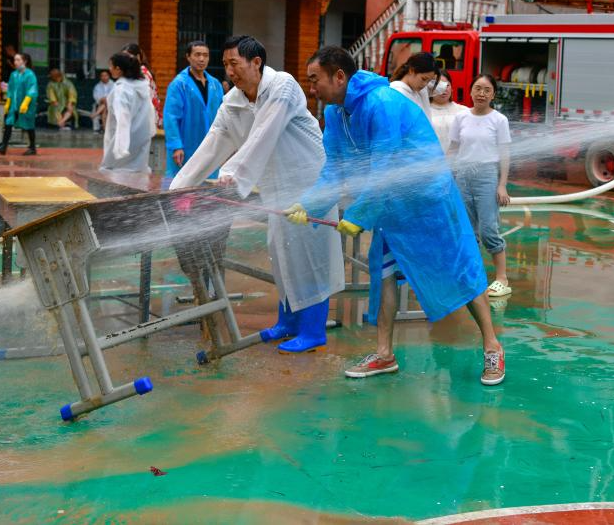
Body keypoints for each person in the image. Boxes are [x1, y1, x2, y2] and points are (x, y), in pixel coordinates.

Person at [292, 46, 505, 385]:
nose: (312, 88)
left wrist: (360, 214)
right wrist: (309, 204)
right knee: (385, 274)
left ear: (339, 76)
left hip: (429, 200)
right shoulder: (335, 114)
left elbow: (385, 164)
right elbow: (335, 168)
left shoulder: (382, 103)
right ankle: (384, 354)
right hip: (392, 205)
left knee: (460, 269)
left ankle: (492, 346)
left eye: (315, 80)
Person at [171, 36, 345, 354]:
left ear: (256, 63)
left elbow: (265, 132)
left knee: (310, 256)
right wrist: (180, 186)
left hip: (309, 183)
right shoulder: (234, 102)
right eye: (225, 65)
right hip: (277, 187)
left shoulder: (283, 86)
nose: (229, 71)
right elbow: (214, 140)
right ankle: (288, 322)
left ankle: (313, 330)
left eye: (234, 63)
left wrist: (233, 175)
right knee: (282, 252)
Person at [448, 74, 513, 301]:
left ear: (493, 94)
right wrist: (446, 176)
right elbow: (453, 149)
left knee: (488, 230)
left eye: (487, 90)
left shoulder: (499, 120)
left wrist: (502, 185)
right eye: (478, 88)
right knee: (466, 231)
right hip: (462, 176)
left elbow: (504, 154)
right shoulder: (461, 118)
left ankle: (502, 278)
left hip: (487, 177)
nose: (481, 94)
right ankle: (472, 277)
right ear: (470, 91)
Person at [163, 40, 224, 186]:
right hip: (187, 143)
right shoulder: (179, 84)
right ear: (188, 57)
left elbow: (224, 115)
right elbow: (171, 117)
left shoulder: (215, 84)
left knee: (208, 185)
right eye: (197, 55)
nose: (201, 59)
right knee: (182, 186)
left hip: (211, 144)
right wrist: (176, 145)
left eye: (205, 55)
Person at [101, 52, 156, 173]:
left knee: (116, 172)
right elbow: (151, 112)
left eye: (111, 66)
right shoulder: (143, 86)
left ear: (118, 69)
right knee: (139, 172)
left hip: (124, 139)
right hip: (142, 136)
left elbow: (123, 118)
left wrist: (121, 147)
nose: (109, 69)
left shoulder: (121, 89)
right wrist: (151, 131)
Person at [0, 52, 38, 156]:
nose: (15, 62)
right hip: (14, 104)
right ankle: (3, 146)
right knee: (9, 123)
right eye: (15, 60)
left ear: (25, 61)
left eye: (18, 60)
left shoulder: (30, 74)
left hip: (27, 105)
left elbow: (32, 89)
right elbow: (11, 90)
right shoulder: (14, 74)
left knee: (29, 125)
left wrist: (26, 102)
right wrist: (8, 102)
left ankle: (32, 148)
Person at [122, 43, 163, 129]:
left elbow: (145, 98)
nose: (126, 61)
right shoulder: (137, 72)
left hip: (145, 117)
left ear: (137, 57)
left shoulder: (142, 73)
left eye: (128, 57)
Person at [389, 51, 437, 121]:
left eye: (428, 81)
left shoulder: (419, 90)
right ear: (411, 70)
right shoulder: (397, 93)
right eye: (423, 79)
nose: (425, 84)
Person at [429, 75, 468, 151]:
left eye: (447, 85)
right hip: (432, 157)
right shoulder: (423, 111)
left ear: (452, 88)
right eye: (439, 85)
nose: (444, 89)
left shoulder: (463, 111)